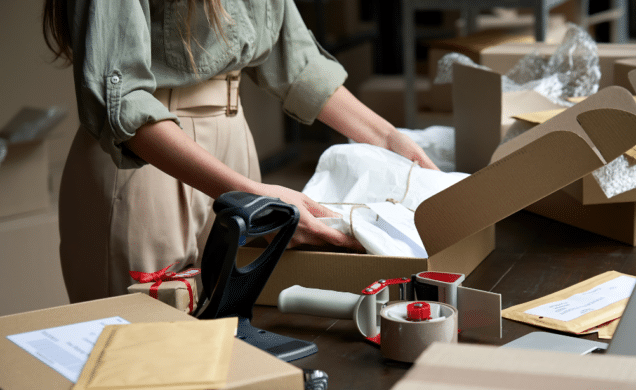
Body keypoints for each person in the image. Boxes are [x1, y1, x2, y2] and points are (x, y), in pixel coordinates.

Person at [42, 0, 439, 303]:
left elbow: (295, 59)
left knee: (230, 337)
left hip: (234, 141)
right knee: (146, 349)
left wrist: (389, 138)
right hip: (146, 158)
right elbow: (123, 97)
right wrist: (251, 193)